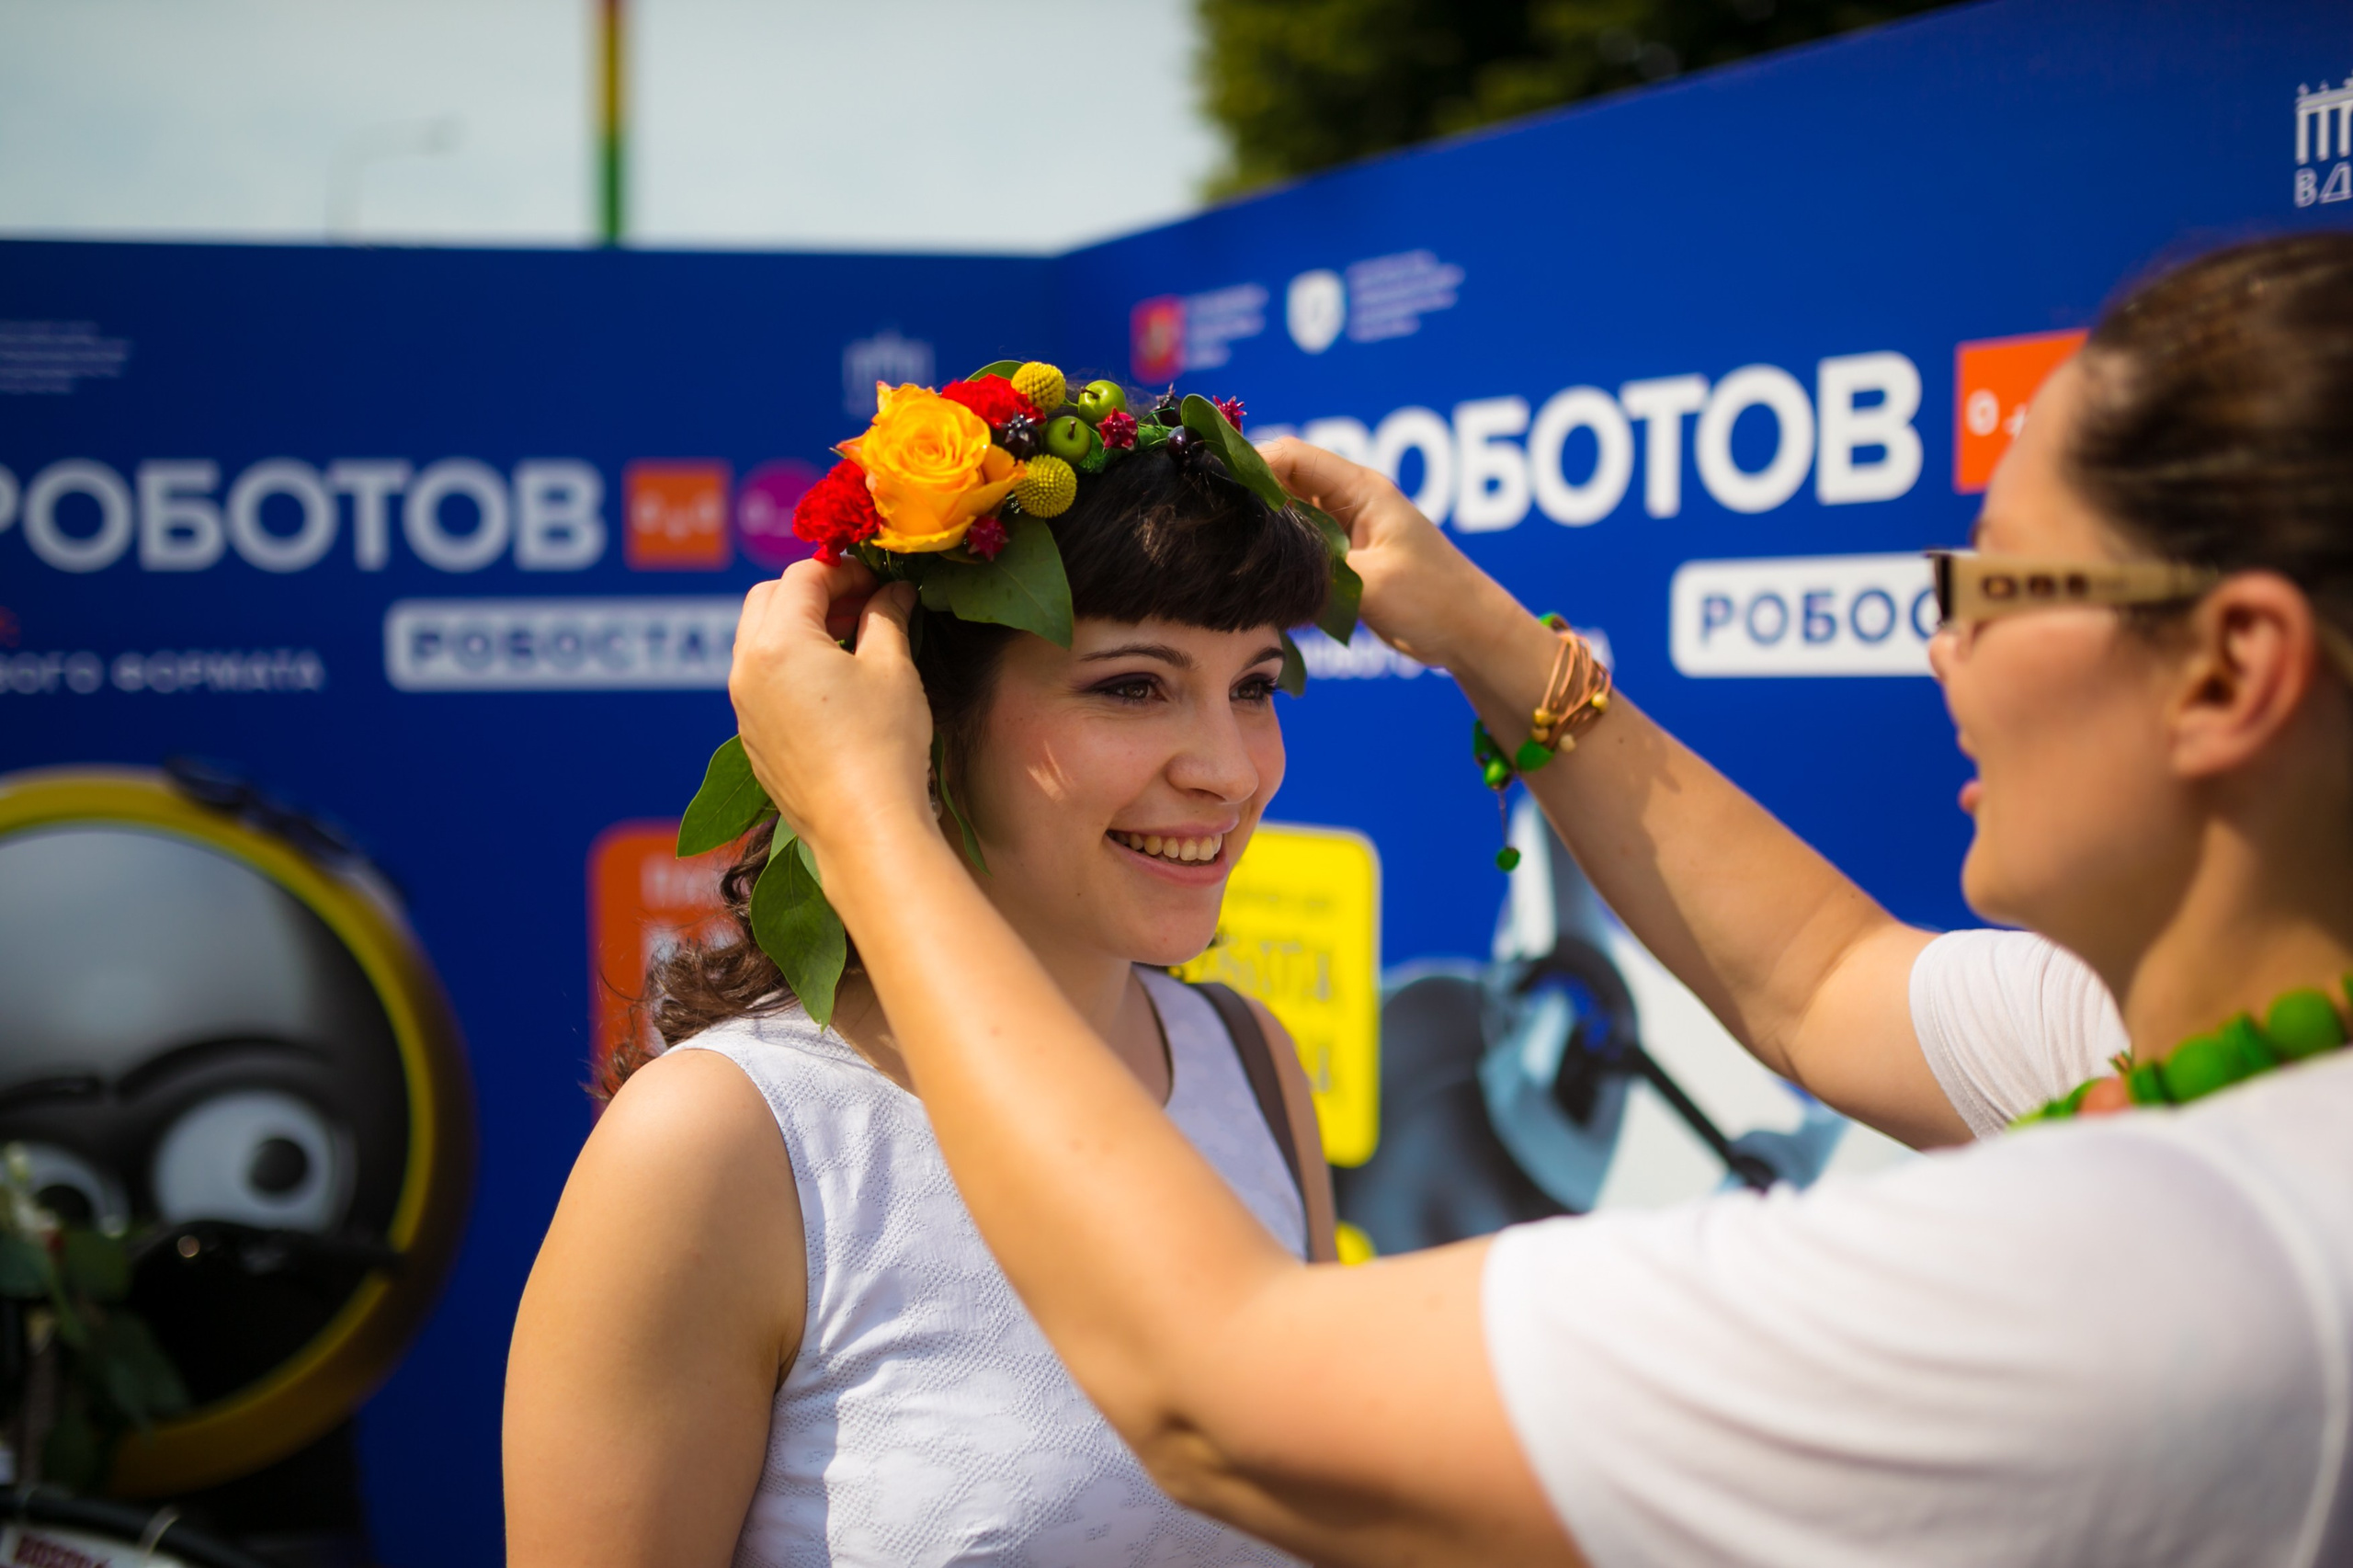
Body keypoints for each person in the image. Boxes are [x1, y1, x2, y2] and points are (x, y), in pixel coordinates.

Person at [721, 231, 2353, 1567]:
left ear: (2231, 671)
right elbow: (1814, 970)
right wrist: (1499, 645)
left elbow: (1228, 1390)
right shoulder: (2207, 1085)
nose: (1943, 639)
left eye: (1996, 578)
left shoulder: (2150, 1262)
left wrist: (865, 817)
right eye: (1136, 685)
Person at [504, 436, 1341, 1568]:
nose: (1232, 769)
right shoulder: (722, 1142)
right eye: (1133, 686)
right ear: (922, 717)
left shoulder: (1246, 1056)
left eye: (1254, 686)